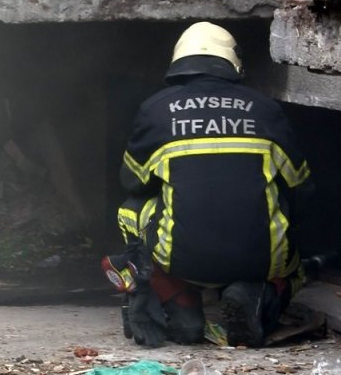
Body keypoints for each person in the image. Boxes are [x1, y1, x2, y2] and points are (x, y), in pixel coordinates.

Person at [102, 22, 313, 348]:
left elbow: (131, 180)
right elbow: (302, 187)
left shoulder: (155, 109)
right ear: (233, 62)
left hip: (181, 260)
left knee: (131, 209)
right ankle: (260, 292)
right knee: (291, 242)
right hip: (260, 260)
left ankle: (174, 298)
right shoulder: (266, 109)